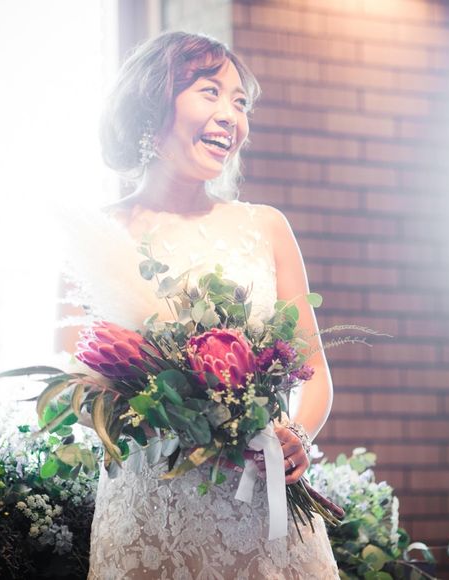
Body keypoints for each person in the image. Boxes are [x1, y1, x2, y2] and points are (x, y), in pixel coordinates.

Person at [59, 30, 338, 579]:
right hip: (147, 513)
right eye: (210, 92)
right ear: (152, 101)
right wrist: (168, 409)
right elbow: (73, 391)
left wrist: (296, 436)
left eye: (240, 102)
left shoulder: (267, 227)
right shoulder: (95, 238)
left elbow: (316, 373)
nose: (230, 116)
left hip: (259, 508)